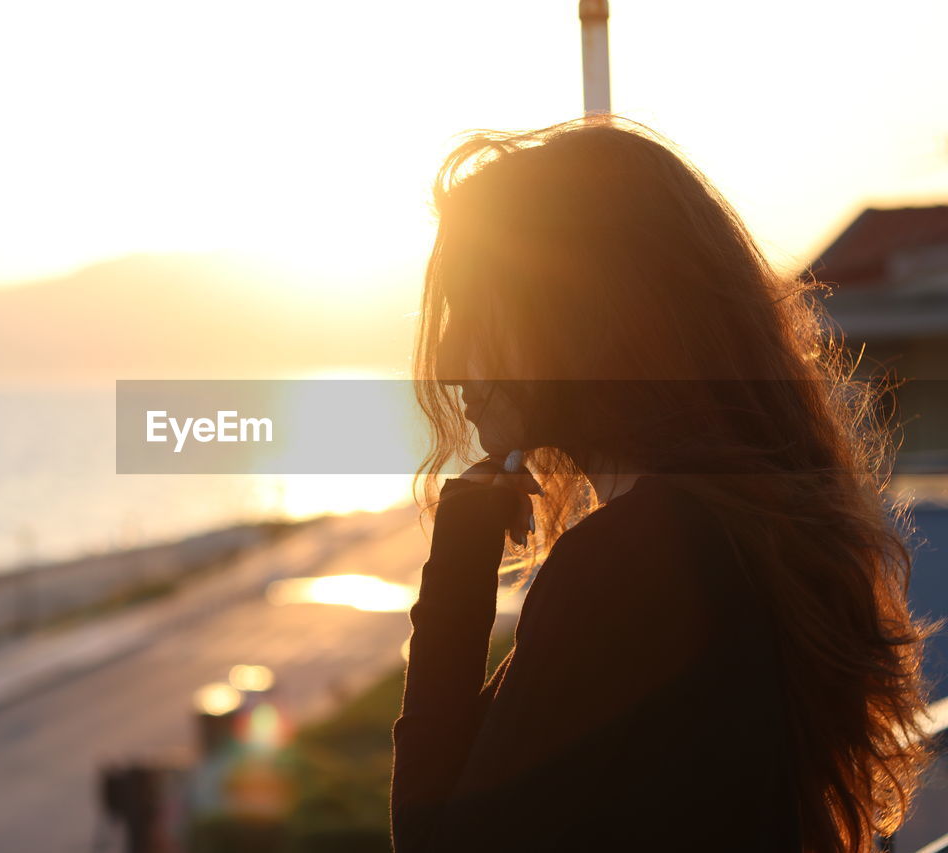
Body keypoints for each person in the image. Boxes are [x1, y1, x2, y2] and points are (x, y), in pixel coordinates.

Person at [390, 115, 938, 853]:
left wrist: (457, 569)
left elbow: (439, 839)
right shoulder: (732, 526)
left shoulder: (630, 559)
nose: (452, 357)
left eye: (476, 310)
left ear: (580, 315)